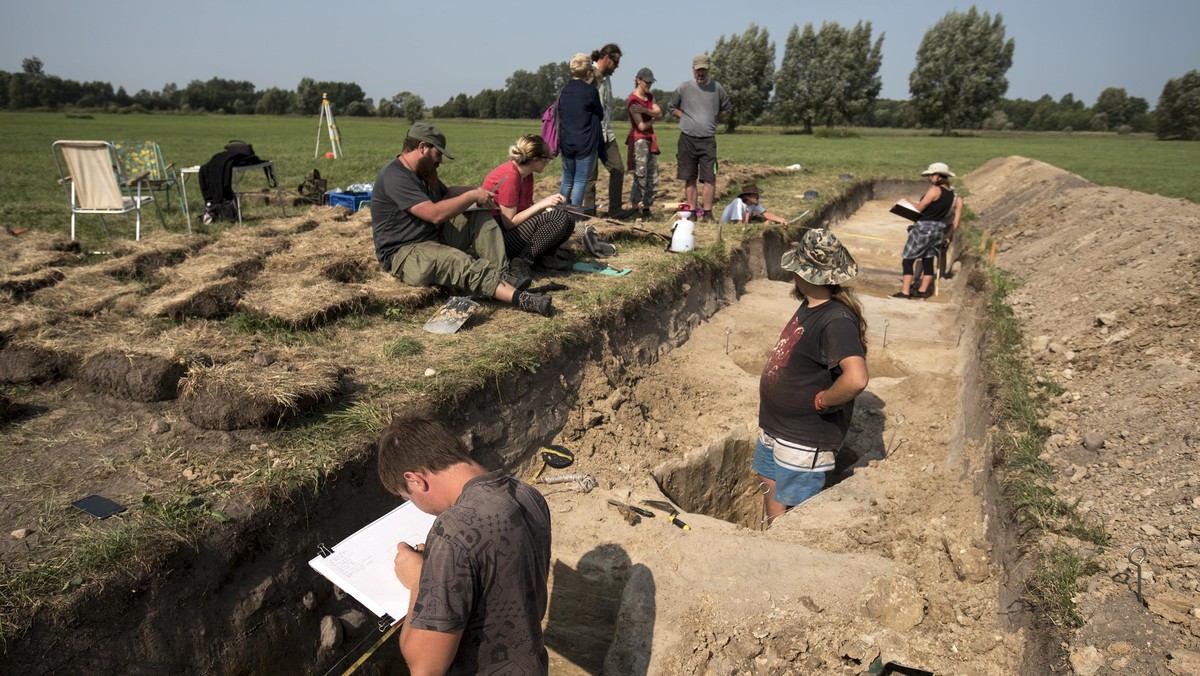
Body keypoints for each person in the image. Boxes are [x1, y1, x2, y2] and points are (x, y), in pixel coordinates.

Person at [380, 410, 552, 674]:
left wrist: (419, 582)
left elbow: (425, 667)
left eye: (409, 497)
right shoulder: (528, 494)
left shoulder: (451, 532)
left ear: (415, 479)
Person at [756, 229, 869, 525]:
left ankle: (785, 553)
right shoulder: (811, 305)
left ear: (805, 274)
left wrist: (825, 400)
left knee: (798, 512)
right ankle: (773, 534)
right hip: (776, 429)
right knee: (771, 484)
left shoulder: (837, 320)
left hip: (803, 441)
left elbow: (856, 378)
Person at [482, 135, 575, 271]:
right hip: (496, 238)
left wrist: (547, 207)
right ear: (536, 159)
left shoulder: (526, 175)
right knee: (559, 218)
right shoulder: (510, 177)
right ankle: (522, 261)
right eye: (547, 159)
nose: (547, 163)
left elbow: (525, 209)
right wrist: (542, 204)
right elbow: (509, 223)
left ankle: (544, 257)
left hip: (508, 231)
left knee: (569, 219)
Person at [667, 53, 731, 223]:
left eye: (704, 70)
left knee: (710, 177)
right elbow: (671, 107)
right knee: (689, 177)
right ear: (693, 70)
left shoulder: (717, 88)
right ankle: (693, 212)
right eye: (698, 70)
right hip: (687, 139)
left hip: (708, 140)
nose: (701, 73)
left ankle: (708, 213)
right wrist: (685, 117)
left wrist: (713, 119)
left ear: (708, 69)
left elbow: (726, 108)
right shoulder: (683, 87)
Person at [894, 162, 957, 299]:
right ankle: (922, 292)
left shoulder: (934, 190)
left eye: (931, 175)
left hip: (924, 228)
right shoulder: (951, 195)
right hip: (938, 229)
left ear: (939, 176)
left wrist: (906, 201)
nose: (929, 178)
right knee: (928, 260)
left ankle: (905, 292)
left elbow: (920, 208)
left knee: (908, 260)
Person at [583, 44, 627, 219]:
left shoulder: (606, 77)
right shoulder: (590, 75)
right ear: (606, 58)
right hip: (591, 133)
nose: (617, 67)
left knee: (618, 168)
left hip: (607, 133)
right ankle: (588, 213)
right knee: (590, 175)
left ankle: (615, 210)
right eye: (616, 62)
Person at [558, 53, 605, 208]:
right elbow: (600, 113)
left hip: (566, 141)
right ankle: (574, 216)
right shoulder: (590, 92)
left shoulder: (564, 90)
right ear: (588, 72)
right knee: (580, 181)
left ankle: (560, 213)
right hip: (584, 142)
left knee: (566, 179)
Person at [625, 67, 662, 221]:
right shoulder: (632, 101)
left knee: (652, 175)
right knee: (640, 175)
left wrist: (647, 112)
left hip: (650, 139)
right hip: (639, 140)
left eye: (650, 82)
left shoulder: (650, 96)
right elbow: (641, 126)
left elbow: (659, 111)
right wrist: (653, 117)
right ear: (638, 80)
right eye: (646, 82)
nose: (648, 85)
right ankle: (634, 208)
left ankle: (646, 208)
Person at [720, 182, 788, 225]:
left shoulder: (753, 203)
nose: (757, 197)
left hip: (744, 224)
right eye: (754, 195)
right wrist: (762, 226)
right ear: (747, 196)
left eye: (757, 194)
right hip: (730, 226)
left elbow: (766, 213)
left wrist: (780, 219)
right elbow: (738, 225)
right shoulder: (738, 202)